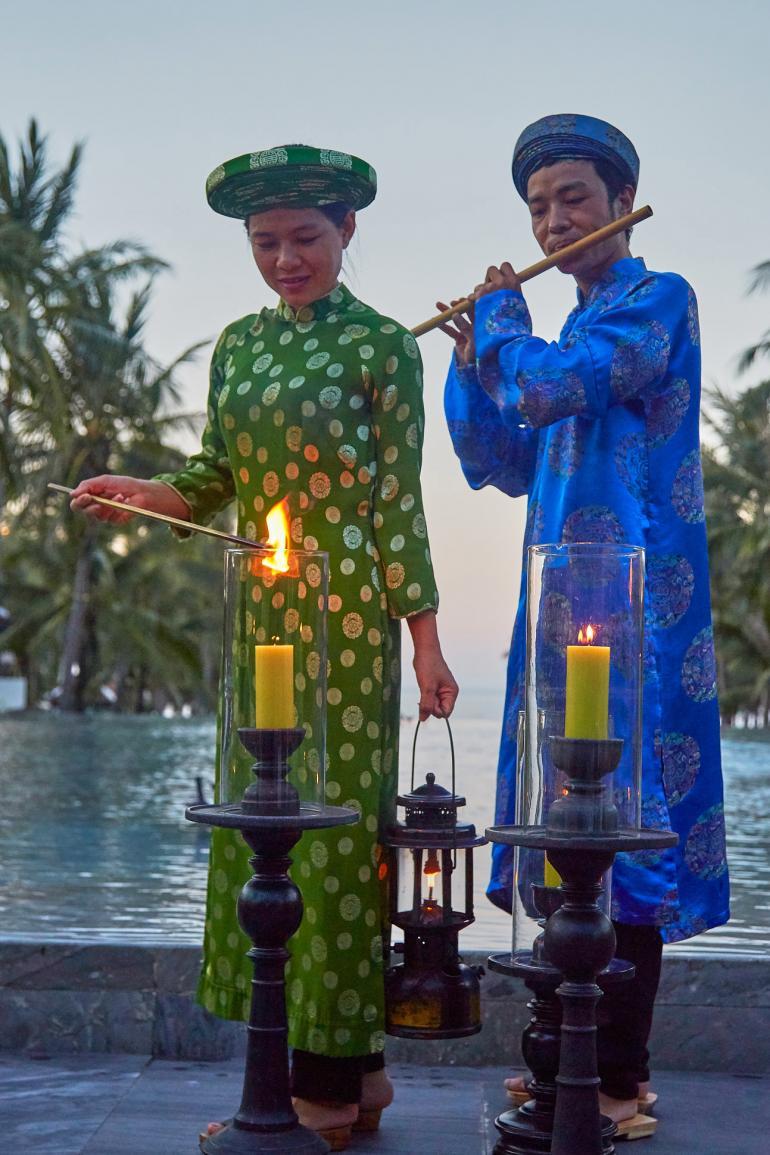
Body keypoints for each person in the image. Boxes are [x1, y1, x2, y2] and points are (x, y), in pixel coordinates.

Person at [72, 143, 458, 1149]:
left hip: (344, 626)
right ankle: (351, 1077)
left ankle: (327, 1082)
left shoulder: (381, 346)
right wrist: (144, 493)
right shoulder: (238, 346)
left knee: (332, 843)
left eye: (305, 239)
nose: (286, 260)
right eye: (265, 243)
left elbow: (393, 503)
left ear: (347, 232)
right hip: (257, 622)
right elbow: (212, 476)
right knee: (263, 830)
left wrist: (421, 640)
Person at [441, 114, 729, 1128]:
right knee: (561, 829)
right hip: (555, 604)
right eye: (536, 207)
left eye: (570, 199)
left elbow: (558, 385)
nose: (553, 219)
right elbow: (499, 458)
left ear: (618, 201)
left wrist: (507, 331)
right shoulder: (550, 336)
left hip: (638, 612)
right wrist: (473, 350)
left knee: (624, 839)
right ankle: (558, 1059)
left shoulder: (655, 302)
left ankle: (616, 1080)